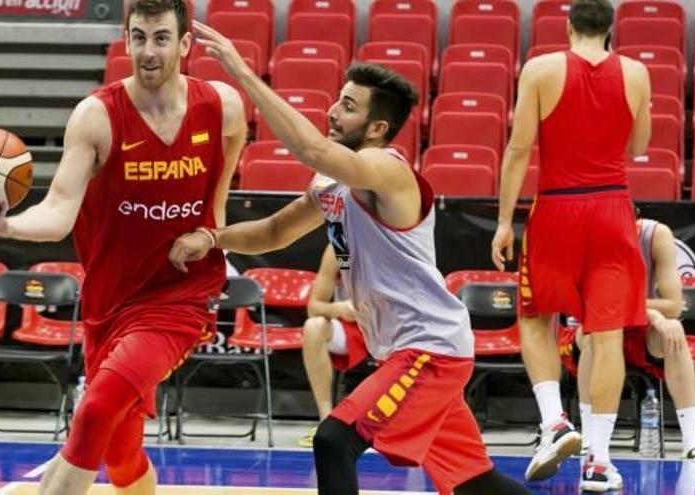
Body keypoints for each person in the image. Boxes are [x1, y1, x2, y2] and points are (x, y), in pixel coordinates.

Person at [169, 21, 531, 495]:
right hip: (407, 348)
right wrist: (213, 238)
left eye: (348, 106)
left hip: (430, 350)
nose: (332, 111)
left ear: (378, 128)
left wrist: (241, 71)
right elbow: (275, 232)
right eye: (338, 99)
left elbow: (312, 149)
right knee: (477, 482)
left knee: (334, 441)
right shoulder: (334, 182)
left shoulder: (387, 169)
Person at [0, 1, 247, 494]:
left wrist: (212, 232)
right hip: (110, 302)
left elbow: (228, 157)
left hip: (181, 297)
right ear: (125, 40)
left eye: (160, 37)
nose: (148, 51)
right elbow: (59, 210)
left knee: (97, 410)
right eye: (138, 37)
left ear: (186, 44)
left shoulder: (222, 105)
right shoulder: (97, 116)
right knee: (121, 453)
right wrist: (9, 227)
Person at [489, 0, 652, 491]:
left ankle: (555, 421)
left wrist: (502, 222)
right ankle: (599, 461)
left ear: (567, 26)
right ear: (610, 30)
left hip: (557, 206)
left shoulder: (540, 68)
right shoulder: (638, 73)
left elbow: (519, 150)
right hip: (612, 209)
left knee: (537, 318)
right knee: (606, 336)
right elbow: (639, 146)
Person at [560, 218, 695, 463]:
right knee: (592, 337)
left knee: (674, 330)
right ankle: (590, 439)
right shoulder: (589, 238)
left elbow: (673, 306)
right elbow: (591, 308)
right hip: (593, 328)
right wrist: (653, 313)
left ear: (635, 222)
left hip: (640, 329)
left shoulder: (656, 236)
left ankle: (692, 442)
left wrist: (655, 318)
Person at [298, 244, 368, 448]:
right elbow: (314, 307)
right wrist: (338, 308)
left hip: (392, 327)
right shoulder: (340, 248)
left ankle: (404, 426)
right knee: (314, 326)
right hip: (352, 329)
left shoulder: (396, 241)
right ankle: (325, 420)